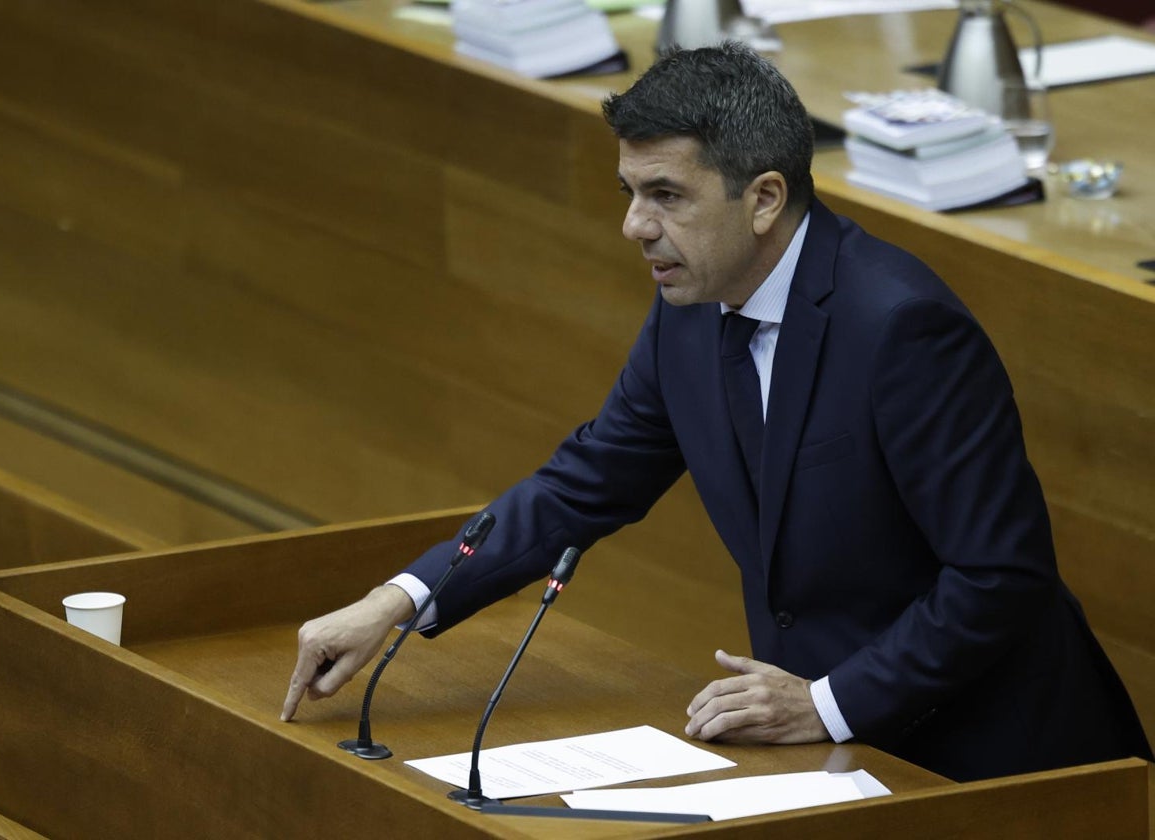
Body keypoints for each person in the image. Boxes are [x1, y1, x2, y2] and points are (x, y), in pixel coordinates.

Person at [281, 43, 1151, 782]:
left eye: (666, 196)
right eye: (629, 191)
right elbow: (588, 479)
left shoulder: (900, 327)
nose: (634, 226)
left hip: (998, 761)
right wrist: (398, 598)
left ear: (765, 198)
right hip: (840, 757)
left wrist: (826, 700)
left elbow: (1000, 575)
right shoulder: (692, 311)